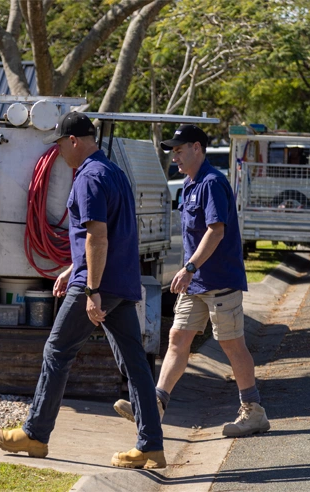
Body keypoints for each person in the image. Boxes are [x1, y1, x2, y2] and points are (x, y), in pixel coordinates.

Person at [0, 112, 165, 469]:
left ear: (73, 141)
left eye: (59, 145)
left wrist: (91, 288)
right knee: (135, 363)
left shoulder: (88, 177)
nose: (58, 153)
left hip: (99, 285)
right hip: (120, 282)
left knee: (58, 350)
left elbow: (96, 237)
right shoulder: (114, 172)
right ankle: (151, 446)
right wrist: (73, 268)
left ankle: (35, 434)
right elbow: (110, 235)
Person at [113, 124, 270, 437]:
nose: (175, 156)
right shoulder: (189, 184)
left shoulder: (212, 182)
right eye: (173, 150)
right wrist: (191, 273)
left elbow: (216, 230)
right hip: (196, 283)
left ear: (198, 148)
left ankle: (254, 412)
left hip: (218, 280)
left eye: (180, 149)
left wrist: (189, 267)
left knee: (231, 344)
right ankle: (154, 406)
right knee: (177, 339)